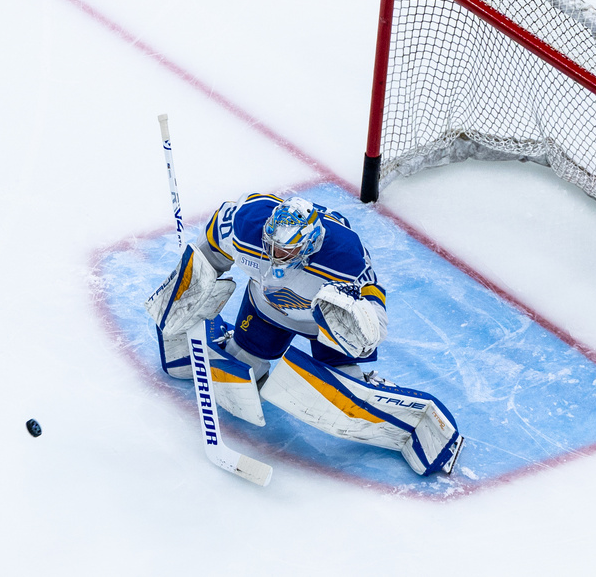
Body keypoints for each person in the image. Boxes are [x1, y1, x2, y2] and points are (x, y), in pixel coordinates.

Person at [145, 192, 463, 476]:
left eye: (284, 252)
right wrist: (189, 289)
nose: (272, 256)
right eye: (271, 245)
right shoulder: (248, 222)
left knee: (344, 398)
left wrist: (360, 324)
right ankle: (229, 344)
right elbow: (210, 250)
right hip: (266, 309)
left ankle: (390, 405)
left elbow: (374, 318)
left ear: (307, 245)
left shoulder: (345, 255)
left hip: (323, 324)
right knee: (243, 371)